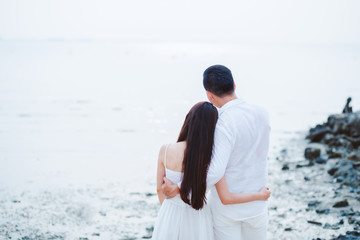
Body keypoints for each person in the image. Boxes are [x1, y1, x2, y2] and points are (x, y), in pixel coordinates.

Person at [163, 65, 271, 240]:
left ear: (209, 95)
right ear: (234, 85)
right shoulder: (262, 113)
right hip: (258, 203)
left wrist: (179, 188)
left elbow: (214, 172)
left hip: (227, 211)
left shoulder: (222, 122)